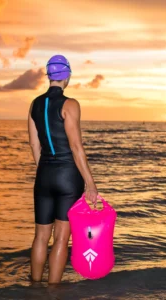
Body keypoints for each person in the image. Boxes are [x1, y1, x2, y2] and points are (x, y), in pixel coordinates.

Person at [28, 54, 98, 284]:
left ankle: (34, 286)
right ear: (67, 75)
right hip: (68, 177)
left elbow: (34, 144)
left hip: (44, 175)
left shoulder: (34, 105)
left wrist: (45, 170)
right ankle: (52, 291)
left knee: (40, 237)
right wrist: (90, 183)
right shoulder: (71, 104)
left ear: (49, 76)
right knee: (60, 238)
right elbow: (76, 147)